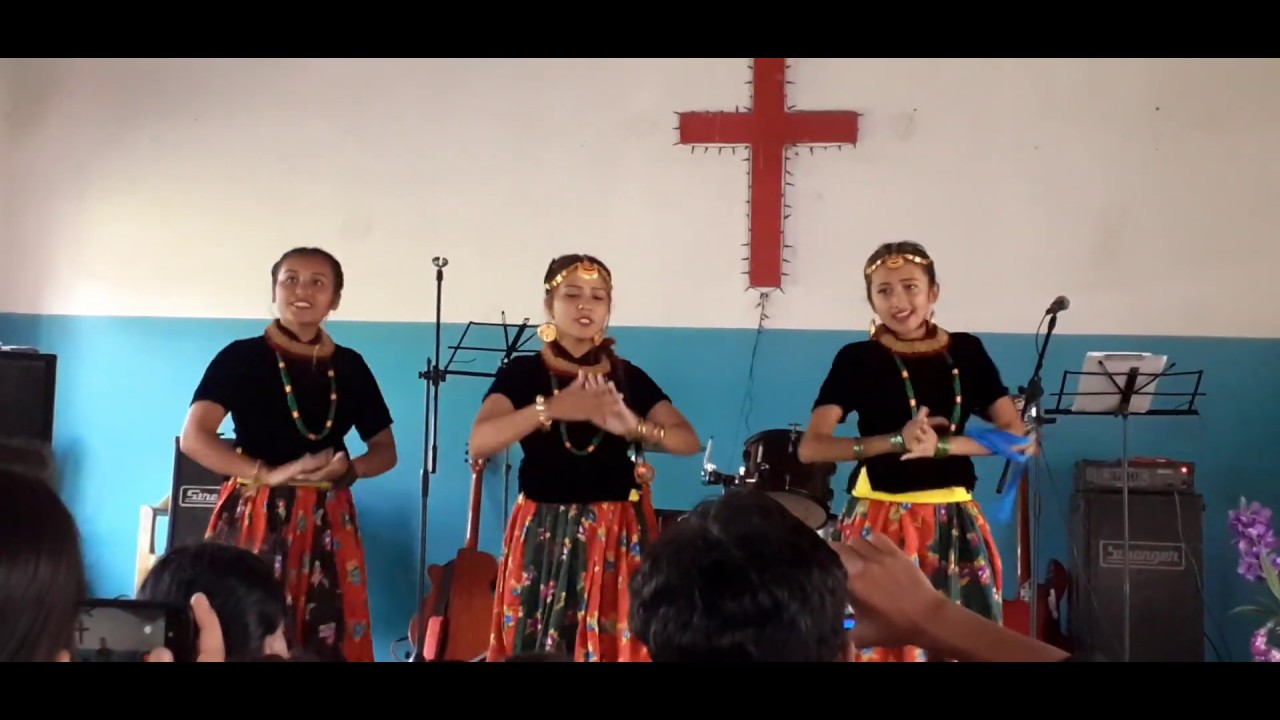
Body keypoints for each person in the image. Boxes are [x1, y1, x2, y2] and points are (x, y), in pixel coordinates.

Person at [797, 240, 1030, 662]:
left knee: (963, 643)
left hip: (953, 522)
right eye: (884, 291)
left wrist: (939, 447)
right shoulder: (857, 359)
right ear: (870, 300)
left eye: (910, 287)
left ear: (933, 293)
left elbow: (1014, 437)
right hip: (880, 523)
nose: (899, 301)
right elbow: (812, 448)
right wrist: (896, 441)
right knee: (881, 648)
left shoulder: (967, 351)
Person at [469, 253, 702, 662]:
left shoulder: (627, 376)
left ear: (608, 309)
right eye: (572, 294)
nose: (585, 305)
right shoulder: (523, 374)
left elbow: (687, 441)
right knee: (538, 643)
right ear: (549, 305)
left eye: (598, 297)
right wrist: (552, 409)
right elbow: (481, 442)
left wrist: (635, 427)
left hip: (615, 531)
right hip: (543, 528)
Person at [179, 246, 398, 662]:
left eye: (318, 282)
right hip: (255, 508)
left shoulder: (350, 366)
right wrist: (267, 474)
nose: (303, 290)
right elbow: (195, 437)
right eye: (291, 279)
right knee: (246, 624)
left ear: (334, 299)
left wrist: (350, 471)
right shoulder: (241, 357)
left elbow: (386, 451)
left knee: (325, 635)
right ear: (275, 289)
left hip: (328, 514)